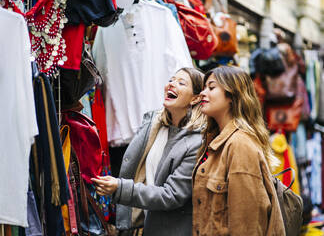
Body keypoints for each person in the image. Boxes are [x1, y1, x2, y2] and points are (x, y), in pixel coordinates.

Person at [92, 68, 206, 236]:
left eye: (181, 83)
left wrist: (120, 187)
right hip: (143, 225)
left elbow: (171, 195)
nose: (171, 85)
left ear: (195, 98)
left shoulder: (196, 142)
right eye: (171, 80)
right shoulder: (154, 125)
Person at [192, 66, 285, 235]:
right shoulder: (214, 140)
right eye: (204, 87)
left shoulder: (239, 145)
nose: (203, 93)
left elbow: (247, 223)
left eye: (211, 87)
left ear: (232, 95)